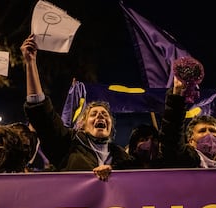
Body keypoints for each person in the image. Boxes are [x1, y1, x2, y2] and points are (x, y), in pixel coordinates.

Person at [21, 34, 133, 181]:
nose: (100, 116)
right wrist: (31, 63)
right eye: (94, 114)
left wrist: (114, 172)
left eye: (105, 115)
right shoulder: (68, 145)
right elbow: (42, 115)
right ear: (82, 125)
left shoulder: (122, 158)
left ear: (111, 127)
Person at [160, 76, 216, 168]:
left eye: (213, 131)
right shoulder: (185, 160)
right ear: (190, 140)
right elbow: (171, 135)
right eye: (202, 131)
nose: (208, 134)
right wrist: (177, 96)